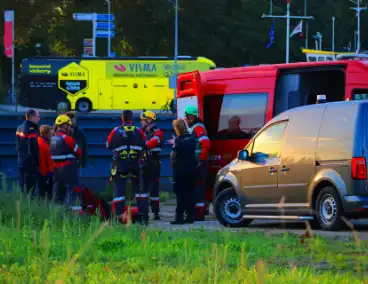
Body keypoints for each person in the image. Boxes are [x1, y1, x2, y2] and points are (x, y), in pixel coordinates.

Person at [106, 110, 148, 224]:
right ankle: (144, 215)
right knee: (140, 189)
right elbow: (145, 145)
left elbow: (108, 145)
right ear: (131, 118)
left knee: (119, 188)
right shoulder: (139, 130)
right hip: (136, 163)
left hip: (121, 164)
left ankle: (118, 215)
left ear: (122, 118)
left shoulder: (115, 131)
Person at [50, 115, 83, 213]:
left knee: (58, 192)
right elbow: (79, 152)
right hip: (69, 169)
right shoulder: (67, 138)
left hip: (56, 169)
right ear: (65, 126)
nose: (70, 128)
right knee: (75, 190)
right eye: (69, 125)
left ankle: (57, 214)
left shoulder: (52, 138)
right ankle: (76, 215)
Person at [184, 106, 211, 221]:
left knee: (199, 188)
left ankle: (199, 213)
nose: (186, 119)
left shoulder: (197, 127)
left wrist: (200, 159)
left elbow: (205, 143)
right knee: (196, 187)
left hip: (199, 162)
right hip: (196, 161)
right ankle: (198, 211)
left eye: (187, 116)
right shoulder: (194, 127)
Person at [170, 119, 197, 225]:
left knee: (180, 194)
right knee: (190, 193)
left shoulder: (178, 140)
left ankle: (179, 217)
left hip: (181, 170)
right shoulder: (192, 138)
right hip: (192, 168)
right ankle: (190, 216)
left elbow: (174, 154)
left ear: (177, 128)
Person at [140, 110, 164, 220]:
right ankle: (144, 212)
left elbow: (155, 140)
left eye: (143, 120)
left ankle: (155, 212)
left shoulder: (157, 131)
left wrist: (144, 145)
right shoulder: (141, 131)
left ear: (149, 120)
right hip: (143, 161)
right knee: (142, 188)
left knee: (154, 188)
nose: (141, 122)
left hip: (153, 162)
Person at [16, 109, 40, 193]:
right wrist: (38, 163)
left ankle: (21, 205)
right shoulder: (31, 129)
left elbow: (18, 146)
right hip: (30, 164)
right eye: (38, 117)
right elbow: (33, 149)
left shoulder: (19, 128)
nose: (39, 119)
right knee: (30, 191)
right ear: (32, 117)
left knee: (22, 188)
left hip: (21, 161)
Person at [37, 125, 54, 199]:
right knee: (46, 192)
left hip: (39, 171)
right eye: (50, 133)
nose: (51, 135)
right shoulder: (44, 145)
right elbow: (48, 160)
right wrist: (50, 172)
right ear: (45, 134)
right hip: (45, 172)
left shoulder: (38, 142)